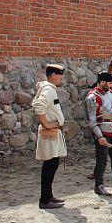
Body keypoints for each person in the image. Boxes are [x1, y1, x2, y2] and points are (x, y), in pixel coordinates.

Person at [32, 64, 67, 209]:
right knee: (50, 165)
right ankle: (44, 199)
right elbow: (38, 106)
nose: (61, 78)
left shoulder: (49, 89)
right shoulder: (48, 89)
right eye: (60, 75)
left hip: (53, 133)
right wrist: (46, 123)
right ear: (53, 75)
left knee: (52, 165)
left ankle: (48, 195)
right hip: (50, 134)